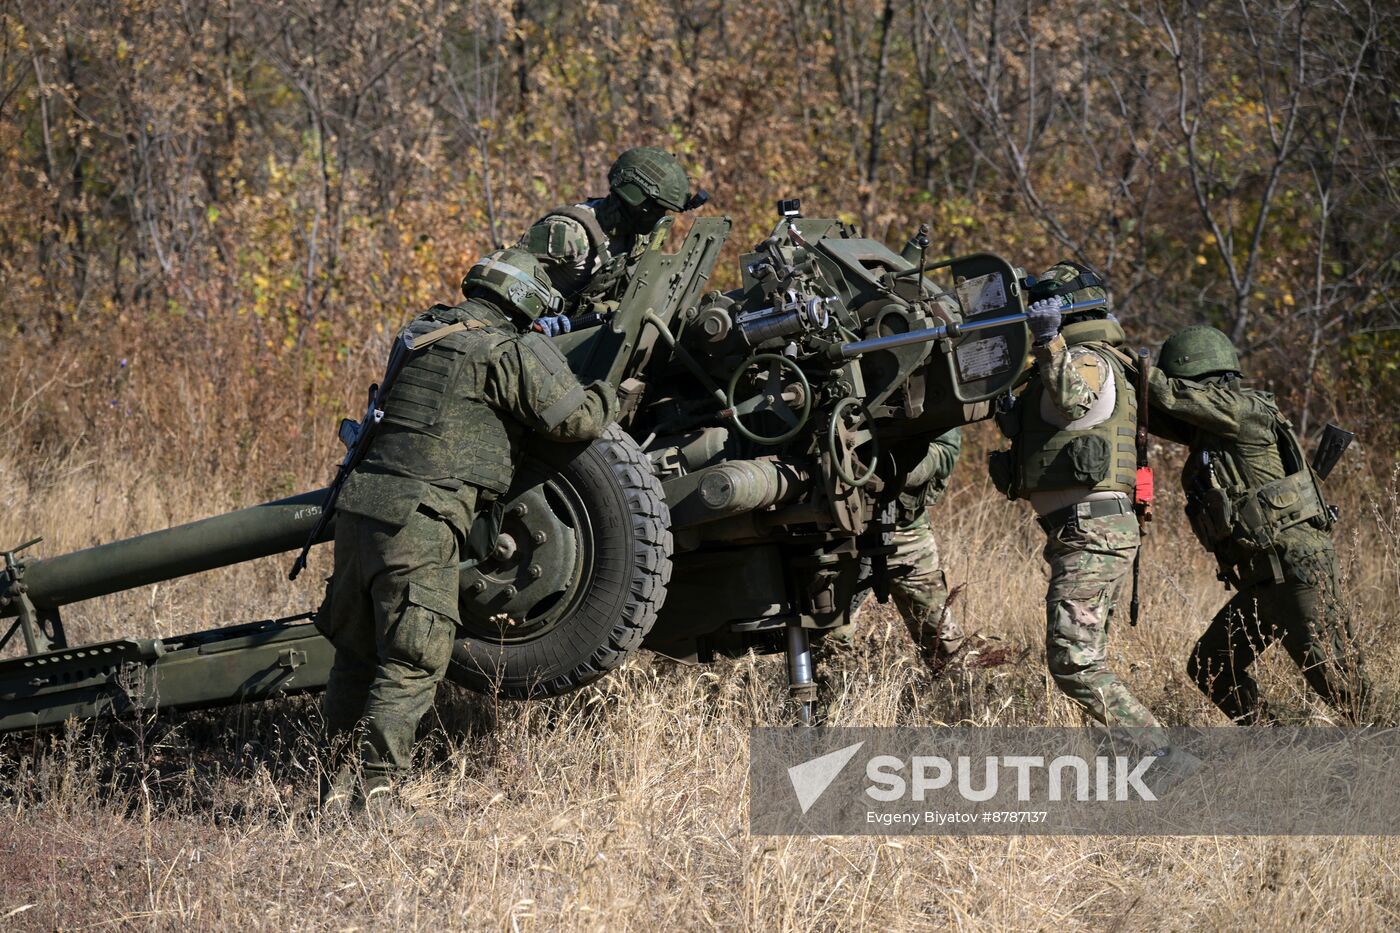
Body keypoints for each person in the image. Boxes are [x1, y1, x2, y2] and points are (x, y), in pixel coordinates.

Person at [316, 247, 617, 811]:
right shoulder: (506, 350)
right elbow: (578, 419)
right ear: (528, 302)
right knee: (413, 655)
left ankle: (332, 788)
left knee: (357, 651)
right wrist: (614, 394)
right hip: (420, 520)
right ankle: (374, 795)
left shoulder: (422, 333)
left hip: (360, 512)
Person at [1147, 324, 1370, 723]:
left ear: (1205, 382)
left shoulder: (1241, 411)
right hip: (1264, 578)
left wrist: (1119, 359)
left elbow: (1165, 394)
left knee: (1342, 687)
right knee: (1210, 665)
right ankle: (1278, 742)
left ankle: (1382, 760)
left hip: (1296, 569)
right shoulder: (1214, 427)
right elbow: (1158, 409)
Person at [988, 260, 1166, 747]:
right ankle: (1128, 768)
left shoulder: (1087, 358)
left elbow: (1076, 404)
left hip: (1091, 530)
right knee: (1089, 659)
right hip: (1083, 532)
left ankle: (1165, 756)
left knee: (1074, 663)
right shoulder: (1070, 361)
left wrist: (1048, 341)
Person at [518, 146, 707, 333]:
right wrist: (534, 319)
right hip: (530, 333)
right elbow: (503, 276)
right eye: (658, 209)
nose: (660, 216)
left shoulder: (638, 239)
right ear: (636, 200)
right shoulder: (570, 232)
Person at [844, 429, 967, 672]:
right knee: (831, 635)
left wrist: (891, 467)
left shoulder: (927, 394)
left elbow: (944, 452)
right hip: (837, 530)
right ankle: (835, 704)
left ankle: (958, 696)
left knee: (938, 632)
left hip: (904, 528)